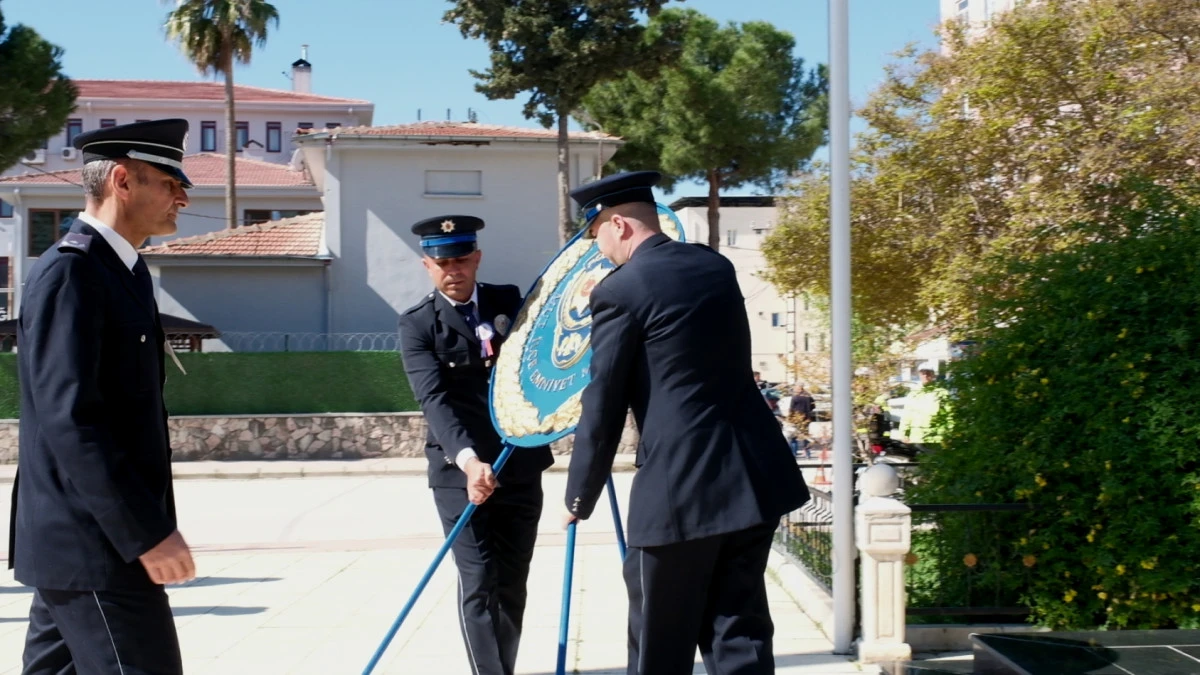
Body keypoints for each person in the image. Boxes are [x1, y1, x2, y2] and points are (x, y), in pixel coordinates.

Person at [561, 171, 810, 675]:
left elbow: (603, 400)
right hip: (751, 480)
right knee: (739, 635)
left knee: (660, 645)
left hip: (679, 496)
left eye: (598, 237)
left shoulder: (621, 291)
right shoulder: (714, 266)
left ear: (619, 225)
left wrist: (578, 496)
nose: (599, 250)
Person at [9, 119, 197, 674]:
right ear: (122, 180)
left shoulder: (123, 270)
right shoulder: (72, 273)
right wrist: (146, 534)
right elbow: (73, 422)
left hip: (85, 543)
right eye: (170, 182)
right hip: (96, 547)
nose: (184, 196)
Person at [397, 215, 554, 675]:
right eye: (442, 261)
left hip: (519, 464)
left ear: (477, 258)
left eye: (462, 258)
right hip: (458, 474)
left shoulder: (509, 301)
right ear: (427, 264)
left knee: (512, 583)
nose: (454, 269)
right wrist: (468, 462)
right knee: (480, 581)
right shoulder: (418, 325)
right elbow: (435, 400)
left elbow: (545, 350)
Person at [900, 362, 947, 450]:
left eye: (928, 373)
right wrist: (904, 433)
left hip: (936, 438)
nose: (925, 375)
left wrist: (948, 434)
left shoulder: (941, 392)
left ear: (933, 375)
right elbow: (907, 415)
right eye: (923, 373)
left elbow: (949, 414)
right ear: (919, 374)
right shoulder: (913, 393)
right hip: (918, 437)